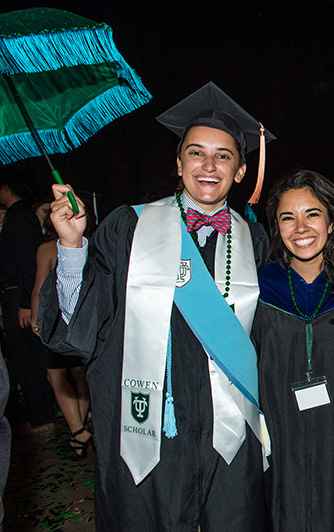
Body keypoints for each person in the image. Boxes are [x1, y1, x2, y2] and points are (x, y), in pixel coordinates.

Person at [38, 82, 274, 531]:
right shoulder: (130, 226)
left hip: (231, 431)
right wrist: (71, 247)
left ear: (241, 170)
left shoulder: (256, 240)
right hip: (150, 424)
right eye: (196, 153)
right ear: (178, 163)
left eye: (223, 155)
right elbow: (86, 321)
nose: (209, 166)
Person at [254, 169, 334, 531]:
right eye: (288, 217)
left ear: (332, 222)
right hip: (279, 439)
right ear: (276, 226)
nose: (300, 227)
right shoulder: (255, 288)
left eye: (312, 214)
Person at [30, 212, 93, 459]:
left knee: (55, 377)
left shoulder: (46, 249)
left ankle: (78, 431)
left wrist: (37, 320)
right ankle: (80, 431)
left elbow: (39, 288)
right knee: (80, 375)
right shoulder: (88, 245)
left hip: (56, 319)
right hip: (82, 318)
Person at [0, 177, 55, 433]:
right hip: (13, 295)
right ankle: (41, 415)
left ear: (8, 187)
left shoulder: (20, 217)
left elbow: (28, 263)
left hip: (19, 296)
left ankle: (42, 417)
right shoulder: (17, 216)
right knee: (25, 358)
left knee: (27, 359)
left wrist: (25, 304)